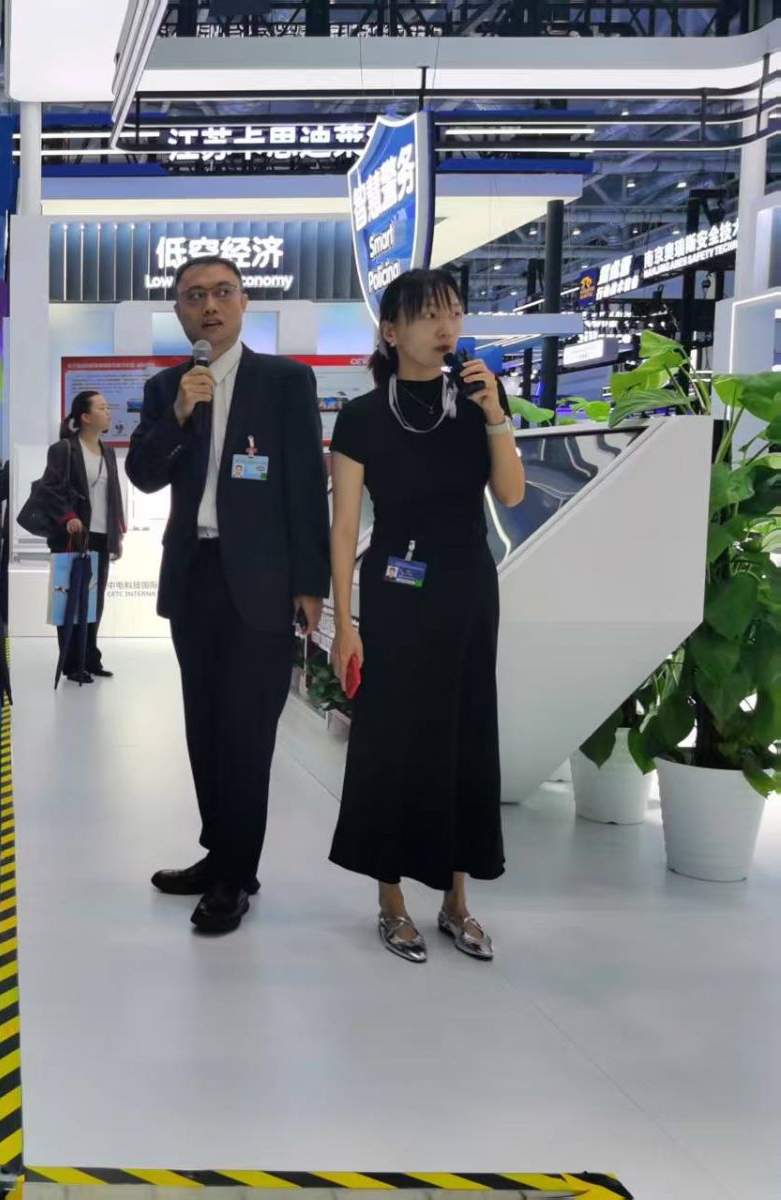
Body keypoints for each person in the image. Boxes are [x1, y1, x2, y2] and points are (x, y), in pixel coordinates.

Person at [125, 255, 330, 937]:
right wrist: (180, 413)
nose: (208, 306)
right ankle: (221, 855)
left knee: (247, 731)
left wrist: (311, 584)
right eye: (193, 296)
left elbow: (306, 486)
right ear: (178, 311)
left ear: (243, 303)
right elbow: (144, 474)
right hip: (195, 577)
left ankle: (235, 876)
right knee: (206, 727)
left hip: (264, 582)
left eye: (221, 293)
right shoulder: (167, 388)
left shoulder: (285, 382)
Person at [327, 268, 524, 964]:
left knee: (465, 735)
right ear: (391, 331)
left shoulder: (475, 403)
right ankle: (391, 899)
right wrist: (344, 622)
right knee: (391, 737)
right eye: (428, 316)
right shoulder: (361, 416)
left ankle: (456, 900)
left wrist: (495, 414)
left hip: (467, 588)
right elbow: (344, 526)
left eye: (454, 314)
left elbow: (510, 492)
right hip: (395, 589)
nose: (446, 329)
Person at [38, 390, 125, 684]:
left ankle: (90, 658)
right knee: (70, 601)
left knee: (94, 600)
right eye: (102, 408)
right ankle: (72, 663)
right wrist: (68, 516)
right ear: (85, 417)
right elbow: (51, 489)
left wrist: (117, 533)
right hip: (72, 536)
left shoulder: (108, 452)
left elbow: (113, 495)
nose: (108, 412)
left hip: (101, 534)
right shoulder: (63, 449)